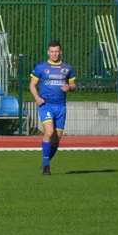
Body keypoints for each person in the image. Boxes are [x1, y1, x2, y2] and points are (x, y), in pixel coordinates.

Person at [29, 40, 76, 176]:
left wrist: (69, 87)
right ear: (48, 52)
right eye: (52, 51)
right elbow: (32, 85)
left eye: (57, 51)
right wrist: (37, 98)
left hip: (61, 106)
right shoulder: (41, 67)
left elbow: (73, 85)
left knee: (57, 138)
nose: (54, 54)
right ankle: (47, 166)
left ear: (60, 52)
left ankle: (45, 162)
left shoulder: (67, 67)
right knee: (49, 133)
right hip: (46, 105)